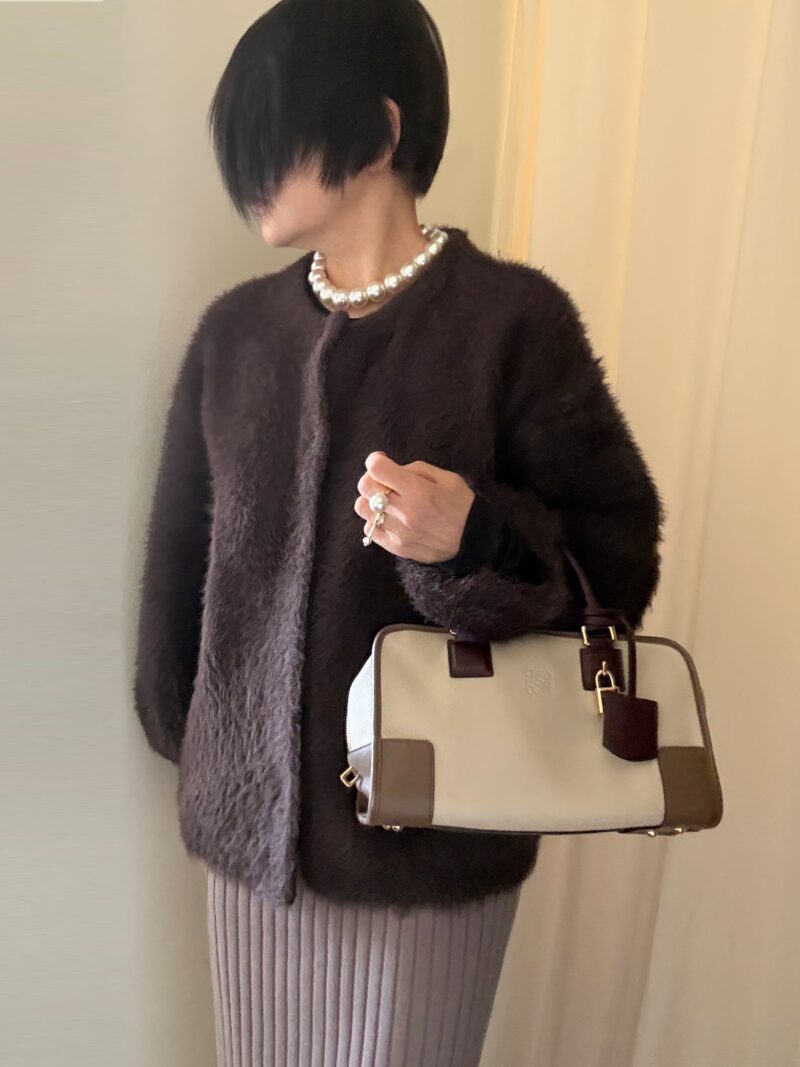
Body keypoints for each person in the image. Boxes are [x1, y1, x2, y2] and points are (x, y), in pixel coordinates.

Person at [133, 1, 665, 1064]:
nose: (248, 176)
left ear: (378, 132)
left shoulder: (512, 325)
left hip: (432, 843)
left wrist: (478, 542)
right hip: (251, 848)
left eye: (273, 138)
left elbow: (616, 553)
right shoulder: (234, 338)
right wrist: (200, 739)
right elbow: (180, 564)